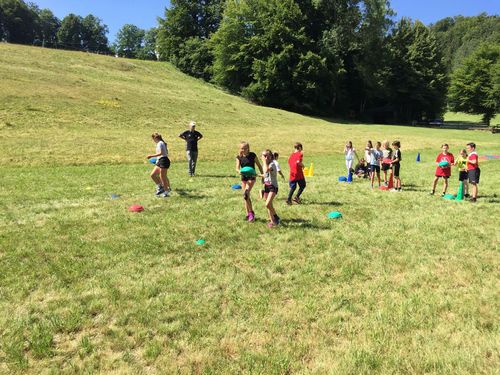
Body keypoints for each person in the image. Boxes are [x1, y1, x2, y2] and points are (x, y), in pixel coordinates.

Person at [236, 141, 263, 222]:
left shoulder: (252, 155)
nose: (243, 150)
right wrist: (239, 171)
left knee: (246, 193)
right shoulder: (238, 157)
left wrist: (262, 176)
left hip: (252, 177)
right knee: (245, 197)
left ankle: (251, 214)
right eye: (241, 148)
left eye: (244, 148)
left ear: (248, 148)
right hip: (244, 178)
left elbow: (259, 166)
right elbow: (237, 168)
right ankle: (248, 214)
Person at [147, 132, 171, 197]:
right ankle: (160, 187)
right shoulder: (159, 143)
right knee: (153, 175)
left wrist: (151, 156)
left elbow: (161, 153)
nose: (153, 140)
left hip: (164, 161)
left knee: (162, 177)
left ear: (155, 138)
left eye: (153, 139)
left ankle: (166, 192)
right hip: (160, 161)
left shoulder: (160, 143)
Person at [261, 150, 280, 227]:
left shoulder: (272, 164)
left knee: (267, 204)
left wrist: (264, 162)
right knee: (269, 205)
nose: (266, 157)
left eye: (267, 155)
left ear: (271, 156)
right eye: (264, 156)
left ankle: (276, 217)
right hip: (267, 186)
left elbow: (266, 170)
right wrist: (257, 175)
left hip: (273, 187)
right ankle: (273, 221)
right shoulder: (264, 165)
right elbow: (265, 175)